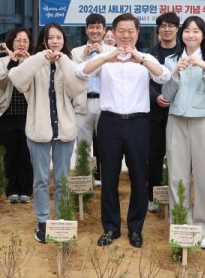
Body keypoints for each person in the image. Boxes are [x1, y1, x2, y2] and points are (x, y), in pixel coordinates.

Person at [76, 13, 171, 248]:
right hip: (109, 122)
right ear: (114, 33)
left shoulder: (146, 58)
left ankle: (136, 229)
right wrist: (106, 56)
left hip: (139, 123)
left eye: (131, 31)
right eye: (121, 31)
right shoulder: (105, 59)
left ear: (138, 33)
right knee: (109, 178)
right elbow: (81, 72)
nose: (126, 35)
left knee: (140, 177)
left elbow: (164, 76)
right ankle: (111, 228)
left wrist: (140, 59)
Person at [9, 23, 86, 243]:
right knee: (40, 180)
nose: (55, 41)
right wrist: (40, 58)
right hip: (38, 131)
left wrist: (62, 61)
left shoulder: (69, 63)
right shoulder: (33, 63)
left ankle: (61, 218)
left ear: (64, 41)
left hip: (64, 131)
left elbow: (77, 87)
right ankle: (43, 221)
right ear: (43, 41)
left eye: (59, 37)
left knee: (62, 179)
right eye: (50, 37)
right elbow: (17, 79)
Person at [162, 16, 205, 249]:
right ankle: (181, 225)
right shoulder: (171, 60)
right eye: (186, 31)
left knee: (204, 176)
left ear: (203, 35)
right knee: (177, 175)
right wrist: (175, 72)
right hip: (176, 121)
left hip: (203, 122)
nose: (190, 35)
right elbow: (166, 95)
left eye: (195, 31)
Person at [71, 14, 115, 187]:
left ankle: (107, 180)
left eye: (99, 27)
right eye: (91, 27)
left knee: (107, 144)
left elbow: (116, 73)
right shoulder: (76, 52)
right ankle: (84, 181)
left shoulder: (112, 51)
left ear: (104, 31)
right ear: (86, 30)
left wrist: (103, 55)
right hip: (83, 103)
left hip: (106, 104)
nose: (95, 31)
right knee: (83, 145)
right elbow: (74, 73)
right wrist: (84, 56)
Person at [0, 28, 34, 204]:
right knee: (9, 154)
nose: (22, 44)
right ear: (11, 42)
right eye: (18, 40)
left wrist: (25, 63)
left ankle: (25, 189)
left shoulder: (33, 61)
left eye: (25, 41)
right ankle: (10, 189)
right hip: (7, 113)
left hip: (28, 114)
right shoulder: (2, 61)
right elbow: (0, 83)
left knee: (26, 154)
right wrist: (12, 62)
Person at [147, 12, 181, 214]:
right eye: (163, 26)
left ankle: (178, 197)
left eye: (171, 25)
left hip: (178, 112)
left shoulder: (184, 54)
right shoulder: (149, 55)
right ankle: (152, 197)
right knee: (155, 157)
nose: (167, 29)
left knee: (179, 157)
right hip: (155, 115)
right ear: (158, 30)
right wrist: (155, 97)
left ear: (177, 29)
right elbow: (145, 81)